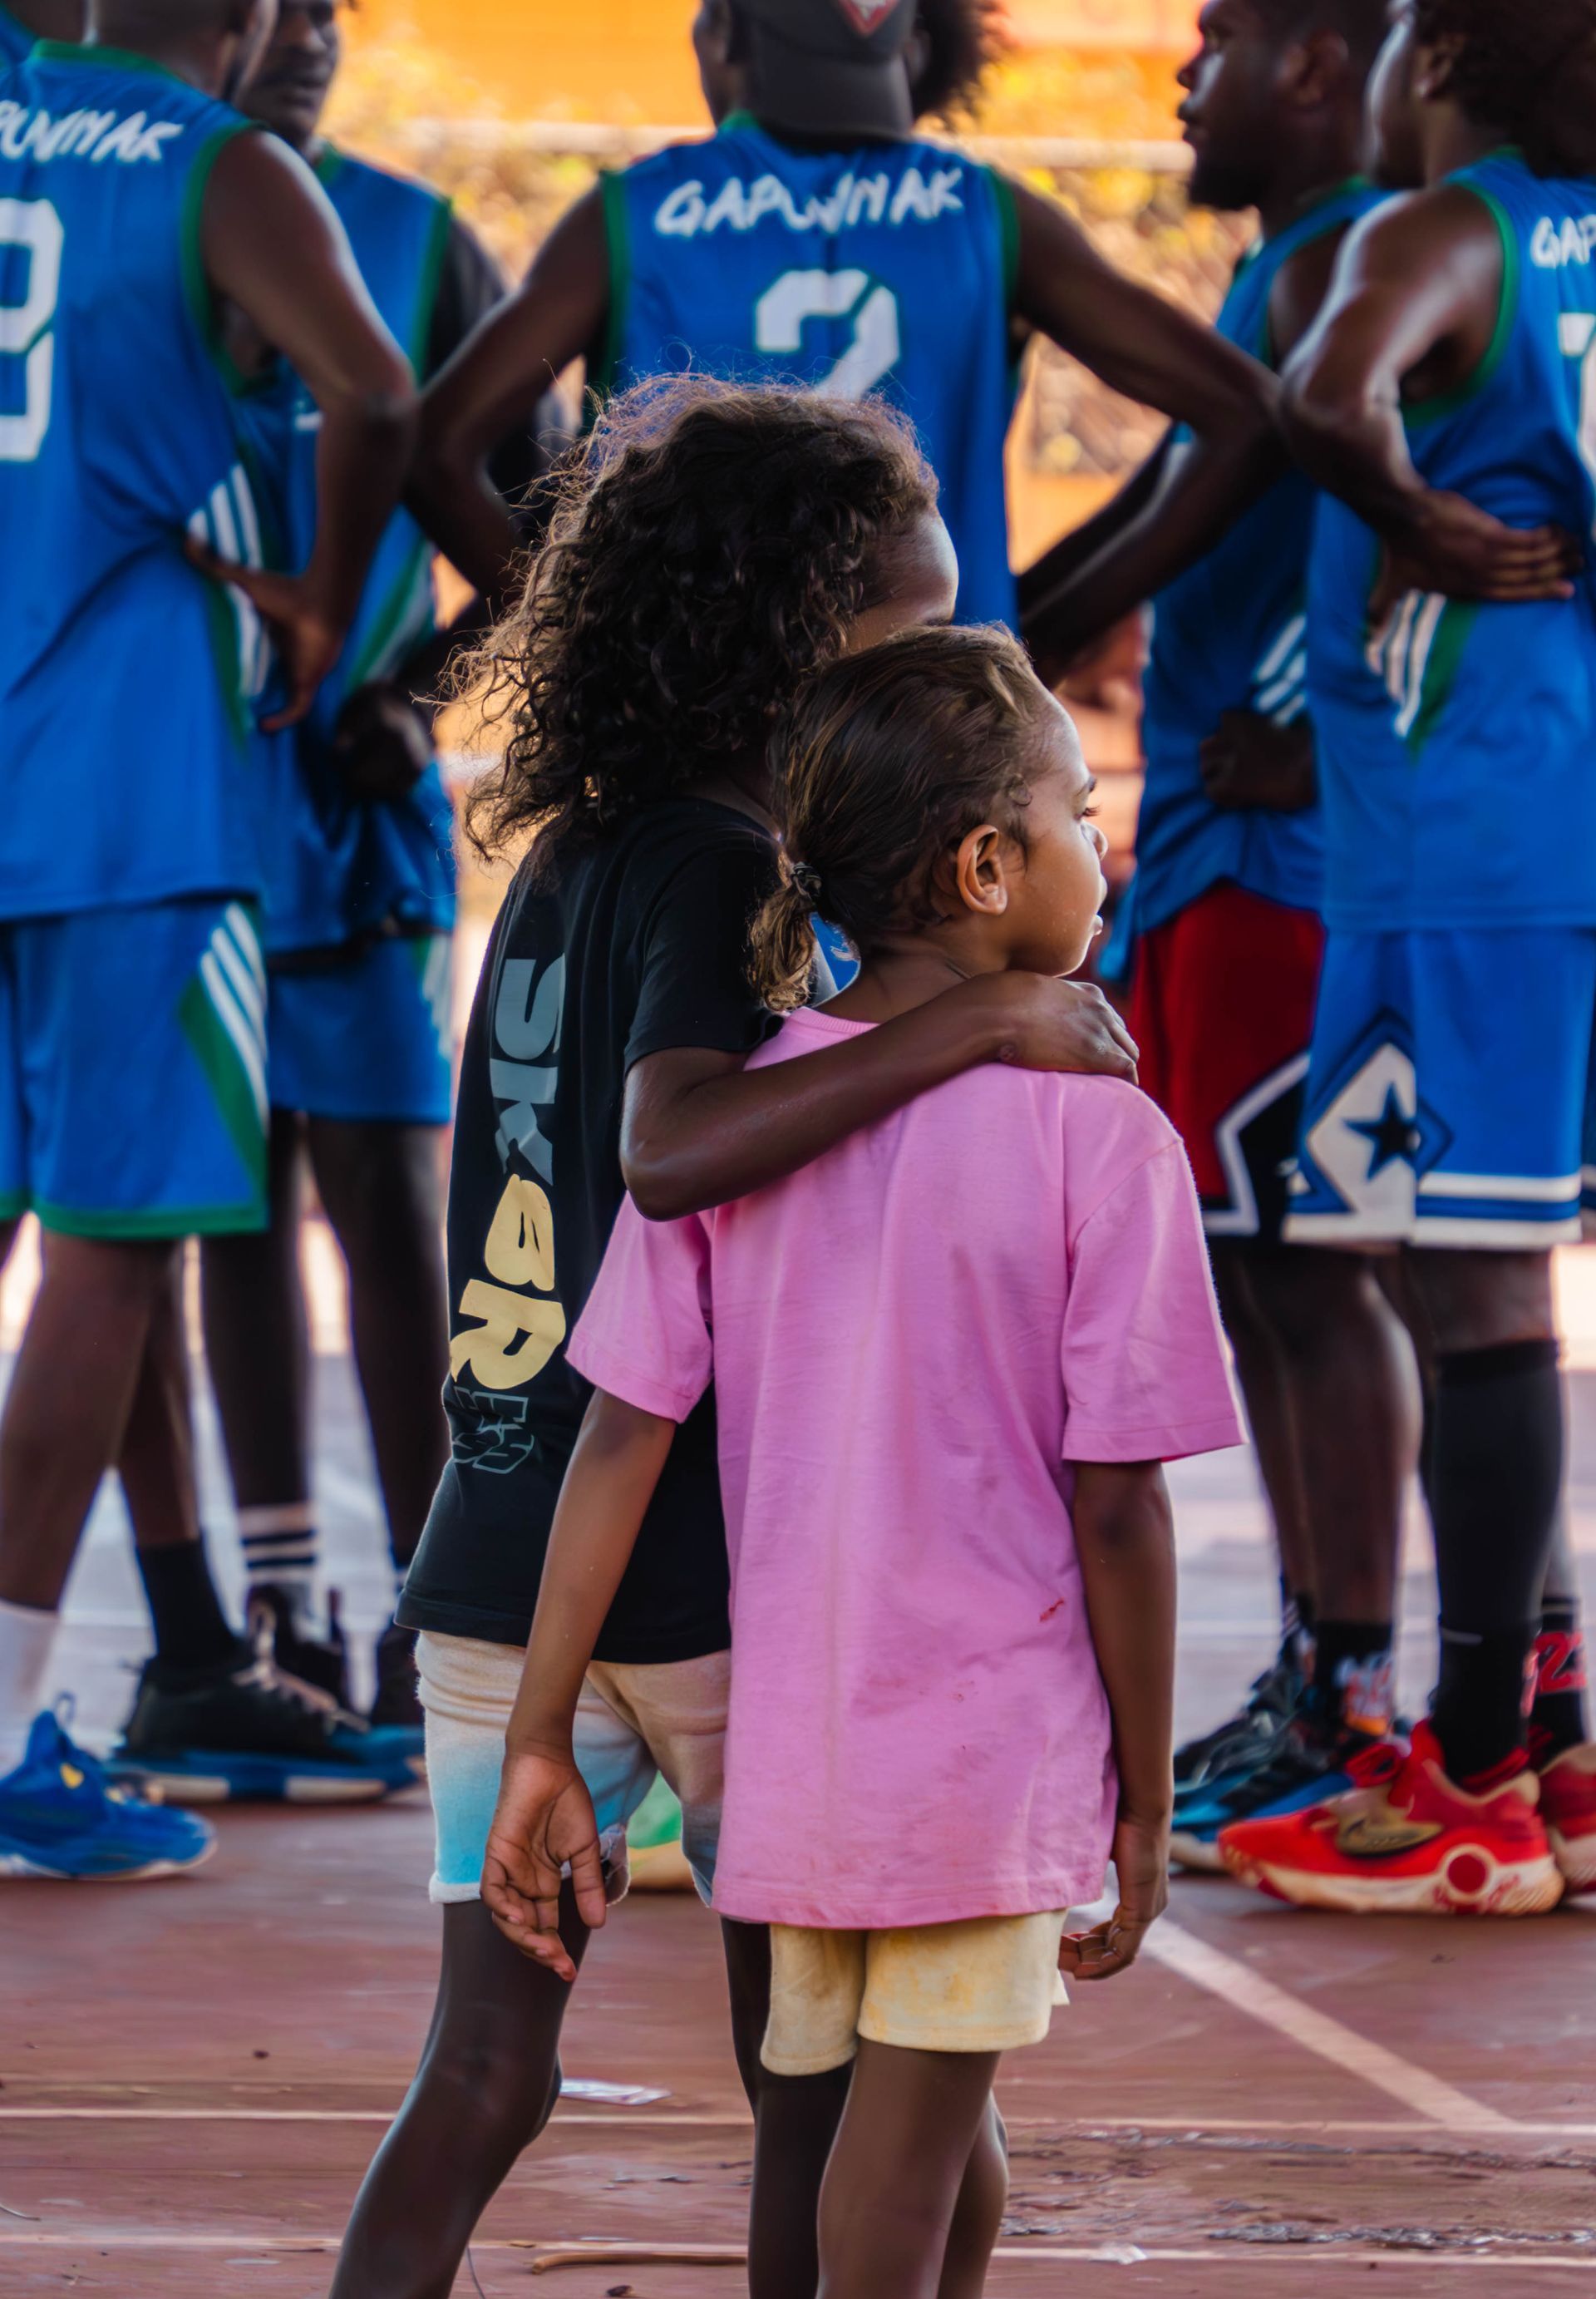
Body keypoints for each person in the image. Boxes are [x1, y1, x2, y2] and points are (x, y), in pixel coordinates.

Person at [332, 377, 1137, 2299]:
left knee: (480, 2073)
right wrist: (981, 1024)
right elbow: (672, 1151)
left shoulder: (569, 855)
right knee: (830, 2093)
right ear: (781, 645)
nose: (934, 681)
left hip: (499, 1555)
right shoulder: (718, 861)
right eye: (907, 639)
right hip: (694, 1576)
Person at [485, 624, 1242, 2299]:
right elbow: (1118, 1503)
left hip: (801, 1754)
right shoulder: (1102, 1129)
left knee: (912, 2145)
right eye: (1082, 812)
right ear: (988, 865)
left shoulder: (753, 1109)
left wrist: (542, 1719)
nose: (1105, 845)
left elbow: (617, 1436)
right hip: (977, 1761)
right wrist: (1151, 1791)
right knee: (885, 2201)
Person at [0, 0, 421, 1877]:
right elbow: (386, 390)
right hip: (132, 771)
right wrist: (326, 606)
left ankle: (171, 1651)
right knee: (115, 1247)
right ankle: (4, 1728)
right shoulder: (209, 163)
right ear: (242, 22)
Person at [1024, 0, 1421, 1869]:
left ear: (1325, 66)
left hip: (1278, 846)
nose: (1184, 79)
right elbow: (1169, 510)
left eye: (1221, 41)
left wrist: (1004, 635)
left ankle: (1358, 1685)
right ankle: (1318, 1668)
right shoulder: (1288, 269)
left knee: (1316, 1265)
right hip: (1205, 839)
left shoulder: (1351, 263)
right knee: (1261, 1268)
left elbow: (1233, 515)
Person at [1221, 0, 1596, 1914]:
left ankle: (1466, 1779)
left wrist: (1405, 508)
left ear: (1435, 52)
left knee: (1469, 1288)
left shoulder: (1441, 227)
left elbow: (1320, 397)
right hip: (1538, 821)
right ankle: (1545, 1722)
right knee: (1404, 1241)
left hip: (1464, 841)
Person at [196, 0, 562, 1742]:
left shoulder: (426, 242)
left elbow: (558, 518)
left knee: (392, 1205)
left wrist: (424, 691)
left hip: (350, 801)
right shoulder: (148, 203)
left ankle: (445, 1608)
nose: (309, 32)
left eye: (332, 7)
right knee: (222, 1201)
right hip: (177, 783)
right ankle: (278, 1601)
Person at [407, 0, 1278, 618]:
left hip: (698, 740)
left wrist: (574, 640)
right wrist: (1039, 628)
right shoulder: (989, 216)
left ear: (722, 37)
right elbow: (1244, 414)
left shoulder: (634, 217)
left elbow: (431, 447)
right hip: (926, 742)